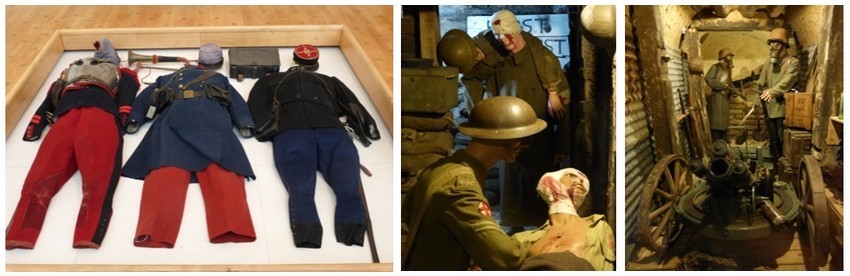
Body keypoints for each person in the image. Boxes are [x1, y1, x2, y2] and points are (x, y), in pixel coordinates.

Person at [402, 96, 583, 270]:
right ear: (501, 138)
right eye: (521, 138)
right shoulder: (462, 188)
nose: (526, 145)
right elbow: (507, 258)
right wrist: (552, 234)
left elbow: (409, 213)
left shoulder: (441, 168)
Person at [6, 38, 141, 250]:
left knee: (42, 177)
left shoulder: (69, 72)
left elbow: (50, 98)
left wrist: (36, 125)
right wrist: (124, 117)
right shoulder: (120, 73)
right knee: (97, 179)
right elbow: (128, 92)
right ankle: (86, 235)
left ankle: (20, 233)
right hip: (99, 114)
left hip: (68, 115)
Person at [121, 43, 257, 248]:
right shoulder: (167, 79)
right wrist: (136, 117)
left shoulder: (219, 79)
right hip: (175, 121)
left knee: (221, 170)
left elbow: (235, 101)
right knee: (166, 172)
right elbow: (147, 97)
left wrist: (245, 121)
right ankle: (155, 230)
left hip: (209, 119)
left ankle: (232, 225)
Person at [247, 44, 381, 248]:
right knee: (303, 187)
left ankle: (347, 233)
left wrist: (365, 126)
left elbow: (351, 103)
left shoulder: (327, 81)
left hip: (311, 131)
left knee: (344, 185)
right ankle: (313, 235)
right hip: (304, 132)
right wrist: (267, 128)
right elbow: (255, 105)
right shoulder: (271, 81)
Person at [488, 9, 572, 228]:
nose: (505, 41)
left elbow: (564, 110)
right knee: (512, 189)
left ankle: (543, 230)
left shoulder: (545, 63)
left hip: (539, 140)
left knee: (539, 190)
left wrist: (561, 145)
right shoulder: (500, 65)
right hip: (509, 139)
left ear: (518, 30)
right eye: (499, 37)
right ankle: (514, 228)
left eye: (509, 35)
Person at [513, 168, 615, 271]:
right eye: (571, 175)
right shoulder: (522, 238)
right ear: (549, 181)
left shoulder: (598, 227)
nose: (580, 181)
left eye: (583, 180)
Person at [756, 27, 799, 158]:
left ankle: (783, 164)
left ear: (784, 46)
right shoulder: (768, 63)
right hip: (769, 107)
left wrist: (772, 92)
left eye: (777, 44)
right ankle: (775, 163)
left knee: (782, 138)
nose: (773, 48)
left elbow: (788, 81)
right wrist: (756, 101)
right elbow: (760, 82)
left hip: (783, 108)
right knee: (772, 138)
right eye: (771, 44)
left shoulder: (793, 62)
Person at [704, 47, 737, 142]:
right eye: (729, 56)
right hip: (717, 98)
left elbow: (729, 82)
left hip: (725, 99)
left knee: (724, 123)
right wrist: (721, 86)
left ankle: (724, 141)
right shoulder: (715, 67)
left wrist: (733, 90)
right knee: (716, 122)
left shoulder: (728, 69)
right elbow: (708, 78)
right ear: (724, 57)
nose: (731, 59)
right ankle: (716, 142)